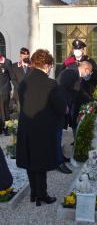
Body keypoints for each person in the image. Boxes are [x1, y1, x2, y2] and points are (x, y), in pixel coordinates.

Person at [16, 49, 67, 206]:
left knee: (31, 160)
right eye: (50, 65)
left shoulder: (24, 82)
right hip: (43, 128)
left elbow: (22, 103)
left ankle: (34, 193)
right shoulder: (50, 83)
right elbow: (60, 107)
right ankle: (42, 195)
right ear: (46, 65)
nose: (50, 68)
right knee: (41, 162)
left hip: (26, 126)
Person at [0, 53, 15, 136]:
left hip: (4, 90)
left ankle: (6, 129)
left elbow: (11, 75)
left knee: (4, 110)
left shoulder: (7, 62)